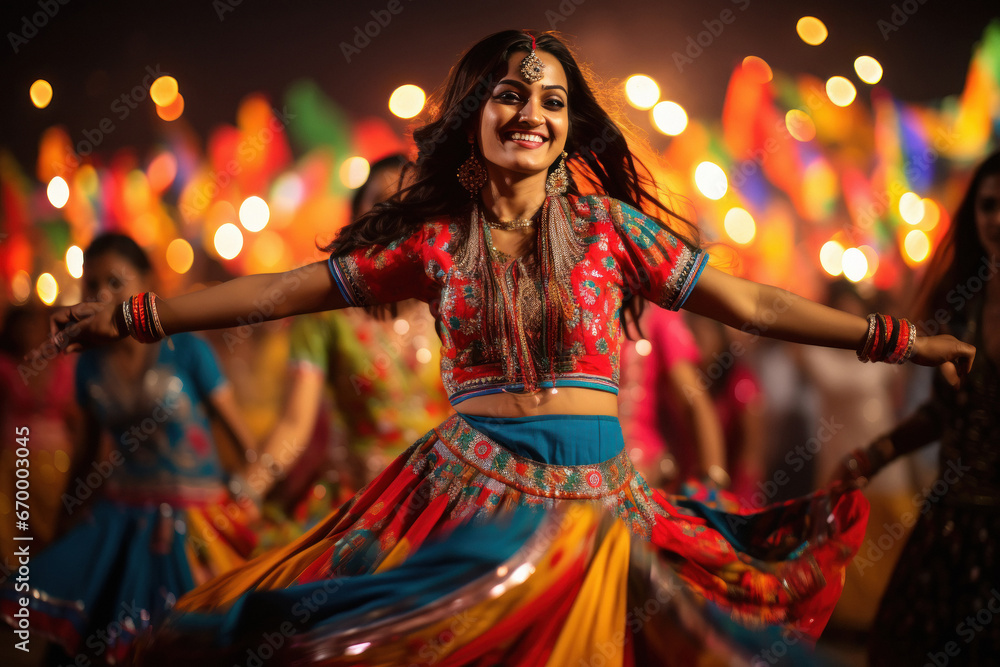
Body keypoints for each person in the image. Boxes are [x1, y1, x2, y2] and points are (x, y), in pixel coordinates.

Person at [49, 31, 973, 665]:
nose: (533, 112)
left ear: (569, 126)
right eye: (511, 94)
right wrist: (138, 316)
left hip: (602, 515)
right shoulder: (432, 241)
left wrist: (894, 338)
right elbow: (285, 291)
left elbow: (756, 303)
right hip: (465, 507)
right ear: (473, 115)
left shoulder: (611, 229)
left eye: (554, 101)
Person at [0, 234, 259, 663]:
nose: (103, 295)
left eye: (116, 282)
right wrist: (64, 525)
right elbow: (84, 457)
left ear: (147, 283)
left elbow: (242, 441)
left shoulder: (189, 348)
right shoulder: (89, 364)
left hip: (196, 522)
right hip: (119, 521)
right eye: (93, 286)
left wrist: (251, 496)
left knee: (195, 643)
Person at [835, 152, 1000, 664]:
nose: (998, 219)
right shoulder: (962, 303)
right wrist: (876, 453)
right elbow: (947, 412)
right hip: (948, 524)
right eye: (989, 205)